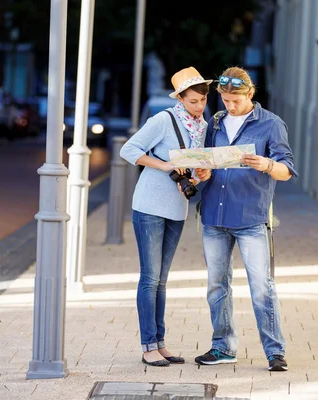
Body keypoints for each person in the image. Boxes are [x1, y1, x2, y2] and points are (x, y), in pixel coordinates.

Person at [194, 66, 298, 371]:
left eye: (235, 100)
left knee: (262, 286)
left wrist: (266, 164)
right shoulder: (214, 123)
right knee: (216, 286)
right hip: (214, 215)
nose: (229, 106)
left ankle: (275, 352)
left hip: (251, 217)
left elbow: (287, 170)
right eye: (225, 100)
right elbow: (207, 167)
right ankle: (223, 347)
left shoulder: (271, 125)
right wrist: (203, 172)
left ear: (249, 93)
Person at [120, 66, 211, 367]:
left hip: (176, 208)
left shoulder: (202, 127)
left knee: (162, 280)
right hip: (149, 205)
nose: (199, 107)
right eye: (194, 101)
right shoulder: (163, 120)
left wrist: (199, 176)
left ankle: (160, 343)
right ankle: (148, 346)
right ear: (181, 98)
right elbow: (129, 150)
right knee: (150, 278)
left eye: (203, 101)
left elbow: (194, 172)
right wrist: (164, 165)